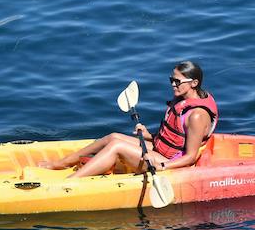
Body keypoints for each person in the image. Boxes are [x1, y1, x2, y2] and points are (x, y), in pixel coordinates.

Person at [41, 61, 218, 178]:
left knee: (117, 147)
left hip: (170, 163)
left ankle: (70, 182)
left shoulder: (196, 115)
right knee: (113, 137)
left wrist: (162, 166)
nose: (173, 84)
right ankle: (62, 163)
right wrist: (149, 135)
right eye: (172, 80)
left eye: (178, 82)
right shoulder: (182, 100)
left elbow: (190, 157)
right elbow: (174, 137)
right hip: (160, 150)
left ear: (194, 83)